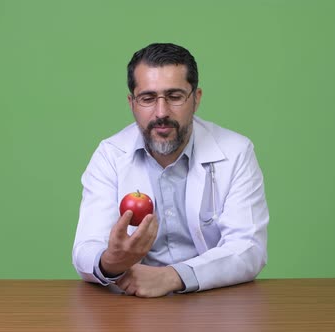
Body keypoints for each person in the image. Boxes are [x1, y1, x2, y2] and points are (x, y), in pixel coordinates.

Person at [72, 43, 269, 297]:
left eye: (175, 97)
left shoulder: (236, 151)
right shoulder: (110, 155)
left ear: (195, 99)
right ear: (132, 103)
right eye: (148, 98)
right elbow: (85, 249)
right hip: (130, 304)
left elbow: (248, 248)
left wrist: (172, 276)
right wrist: (111, 261)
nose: (161, 112)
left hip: (210, 301)